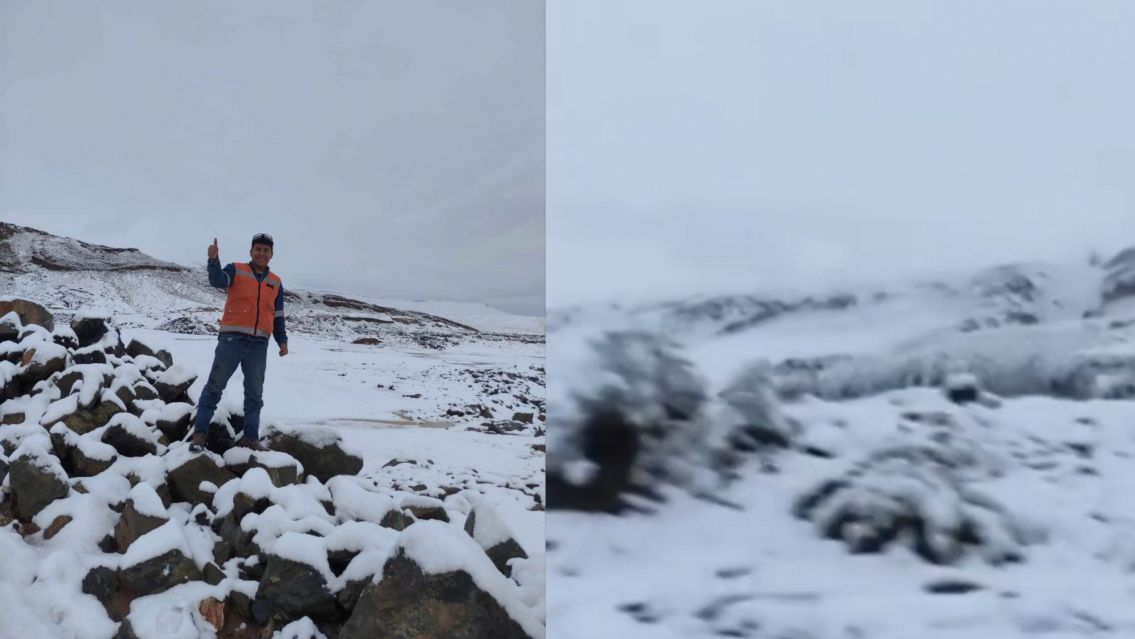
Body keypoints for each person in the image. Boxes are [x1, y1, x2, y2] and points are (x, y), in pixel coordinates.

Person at [190, 233, 289, 452]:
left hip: (259, 345)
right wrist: (213, 260)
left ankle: (251, 439)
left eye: (266, 250)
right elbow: (217, 281)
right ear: (251, 251)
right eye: (258, 249)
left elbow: (278, 315)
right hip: (231, 339)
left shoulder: (276, 282)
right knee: (214, 387)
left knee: (254, 394)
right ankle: (199, 434)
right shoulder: (236, 269)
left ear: (271, 254)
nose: (262, 253)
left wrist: (282, 341)